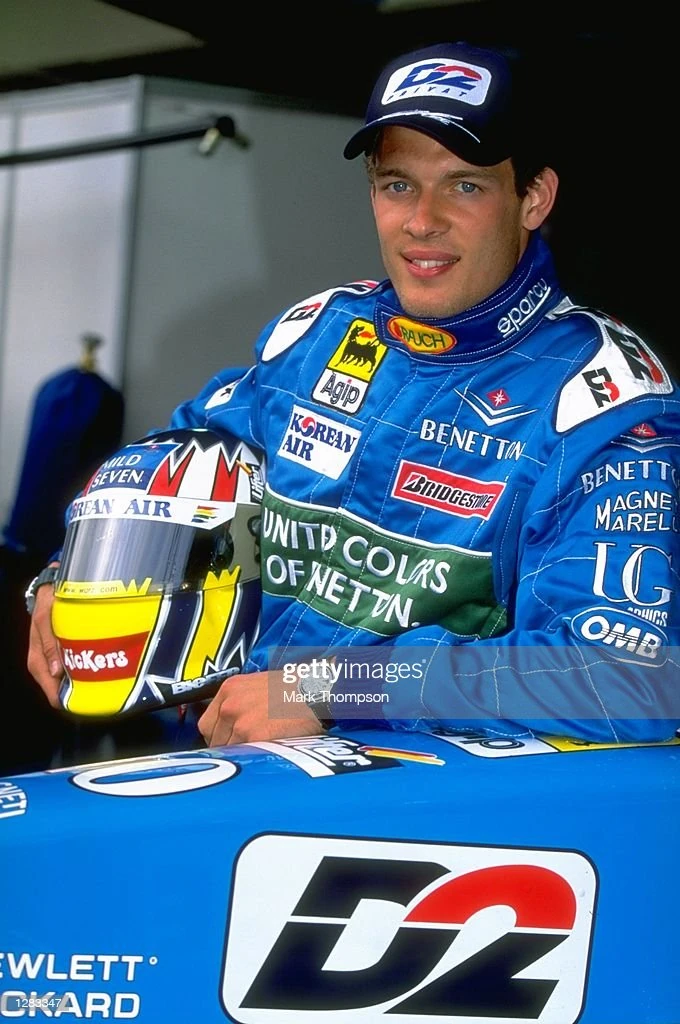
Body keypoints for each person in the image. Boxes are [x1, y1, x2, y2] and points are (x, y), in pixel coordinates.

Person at [27, 41, 680, 752]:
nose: (421, 220)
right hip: (221, 765)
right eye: (398, 185)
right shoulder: (319, 335)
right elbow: (180, 465)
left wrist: (335, 690)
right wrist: (68, 578)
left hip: (411, 804)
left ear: (534, 198)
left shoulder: (603, 401)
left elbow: (630, 679)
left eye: (463, 186)